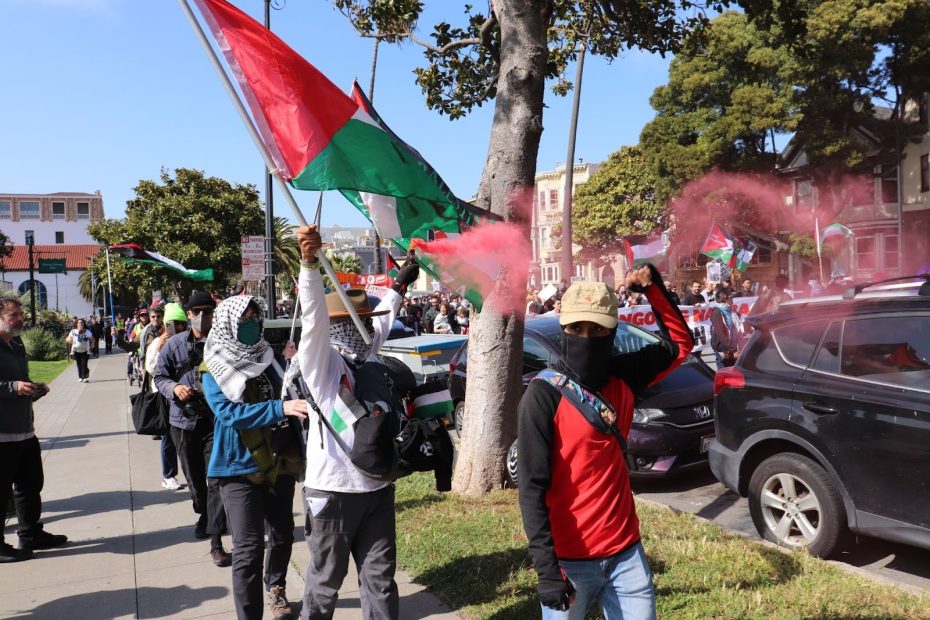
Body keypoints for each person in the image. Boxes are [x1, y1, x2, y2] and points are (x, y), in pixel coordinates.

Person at [517, 267, 693, 619]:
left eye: (597, 329)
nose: (586, 336)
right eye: (577, 329)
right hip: (568, 560)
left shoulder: (624, 376)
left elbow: (680, 345)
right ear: (564, 329)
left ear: (611, 332)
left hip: (626, 553)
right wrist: (547, 570)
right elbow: (531, 490)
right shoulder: (542, 396)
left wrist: (653, 287)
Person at [293, 225, 419, 620]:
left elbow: (383, 319)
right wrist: (309, 265)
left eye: (365, 319)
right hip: (331, 492)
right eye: (354, 320)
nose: (363, 327)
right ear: (336, 327)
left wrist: (399, 283)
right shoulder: (322, 365)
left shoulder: (368, 354)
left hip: (377, 488)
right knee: (325, 582)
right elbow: (314, 322)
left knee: (380, 581)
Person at [202, 295, 309, 619]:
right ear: (228, 325)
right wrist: (280, 407)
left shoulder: (267, 357)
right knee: (248, 550)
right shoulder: (213, 368)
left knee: (282, 534)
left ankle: (276, 587)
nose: (251, 324)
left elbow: (288, 392)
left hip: (280, 462)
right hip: (238, 468)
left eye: (254, 317)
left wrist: (290, 367)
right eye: (244, 319)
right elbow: (228, 412)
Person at [154, 292, 230, 567]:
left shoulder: (223, 343)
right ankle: (205, 514)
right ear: (188, 314)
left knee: (216, 479)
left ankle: (216, 540)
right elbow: (159, 376)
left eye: (208, 310)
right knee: (196, 480)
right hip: (183, 422)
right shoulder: (173, 345)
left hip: (215, 420)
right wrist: (175, 388)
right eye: (197, 310)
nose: (202, 315)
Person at [0, 297, 67, 562]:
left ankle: (30, 534)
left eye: (20, 315)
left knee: (30, 486)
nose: (20, 320)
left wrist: (32, 387)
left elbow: (20, 380)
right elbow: (8, 385)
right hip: (2, 435)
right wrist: (13, 388)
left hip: (25, 430)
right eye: (13, 315)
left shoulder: (15, 344)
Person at [143, 303, 184, 491]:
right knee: (168, 437)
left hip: (187, 396)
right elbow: (150, 368)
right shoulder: (157, 343)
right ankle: (168, 475)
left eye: (179, 324)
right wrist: (159, 348)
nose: (175, 328)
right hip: (164, 397)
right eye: (171, 324)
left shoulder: (188, 340)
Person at [710, 289, 740, 369]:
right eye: (731, 298)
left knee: (732, 370)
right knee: (724, 372)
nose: (733, 300)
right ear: (725, 298)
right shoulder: (717, 312)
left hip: (732, 347)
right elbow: (720, 333)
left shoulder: (732, 311)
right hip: (723, 348)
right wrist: (731, 349)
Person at [66, 318, 95, 383]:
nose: (80, 323)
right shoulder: (73, 331)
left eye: (81, 322)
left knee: (84, 364)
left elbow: (92, 339)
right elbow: (68, 338)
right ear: (76, 324)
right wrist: (69, 340)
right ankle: (80, 377)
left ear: (84, 324)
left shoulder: (87, 332)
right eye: (79, 322)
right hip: (76, 350)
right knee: (79, 364)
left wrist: (92, 344)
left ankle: (84, 377)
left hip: (85, 350)